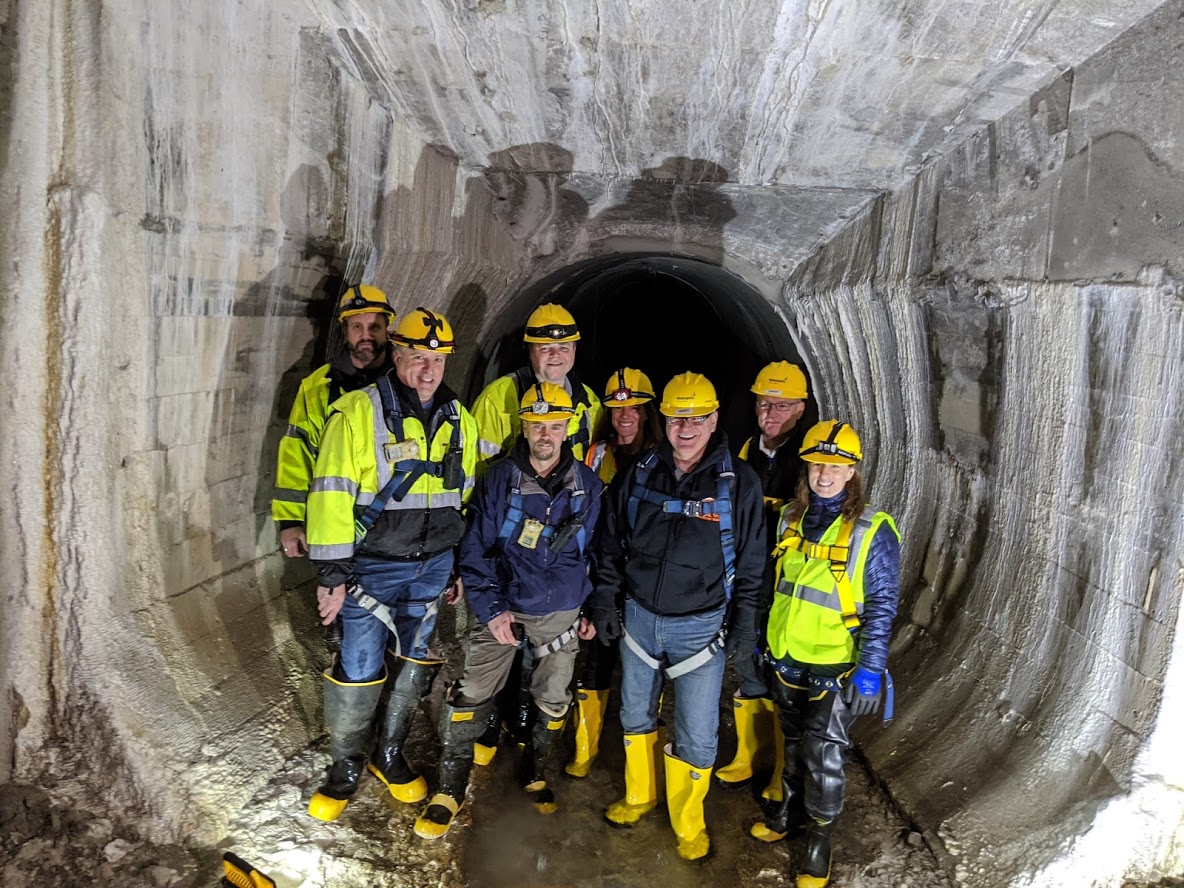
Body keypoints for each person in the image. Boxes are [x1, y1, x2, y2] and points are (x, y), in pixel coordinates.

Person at [303, 308, 479, 822]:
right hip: (372, 567)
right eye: (417, 358)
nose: (428, 371)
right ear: (396, 355)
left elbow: (463, 497)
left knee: (413, 660)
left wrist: (459, 564)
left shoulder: (459, 419)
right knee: (359, 666)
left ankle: (387, 753)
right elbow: (331, 495)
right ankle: (345, 766)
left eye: (438, 360)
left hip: (432, 565)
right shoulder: (357, 412)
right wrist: (332, 576)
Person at [588, 372, 766, 861]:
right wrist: (606, 598)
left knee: (696, 731)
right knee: (634, 714)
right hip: (640, 618)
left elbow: (752, 562)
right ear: (661, 419)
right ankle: (639, 795)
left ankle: (689, 820)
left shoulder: (739, 482)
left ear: (712, 419)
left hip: (700, 627)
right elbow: (611, 543)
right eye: (674, 417)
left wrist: (745, 621)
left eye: (695, 418)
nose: (684, 428)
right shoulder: (640, 471)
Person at [413, 383, 604, 839]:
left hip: (560, 610)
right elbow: (474, 551)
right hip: (504, 607)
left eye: (554, 426)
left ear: (567, 428)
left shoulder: (588, 488)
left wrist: (592, 606)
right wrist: (493, 609)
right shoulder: (499, 479)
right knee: (474, 690)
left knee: (554, 695)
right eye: (537, 425)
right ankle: (449, 789)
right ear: (524, 425)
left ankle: (535, 771)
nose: (545, 434)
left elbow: (599, 553)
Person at [750, 420, 899, 888]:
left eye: (836, 466)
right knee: (792, 742)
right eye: (817, 464)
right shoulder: (789, 519)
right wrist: (761, 641)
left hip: (836, 663)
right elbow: (777, 588)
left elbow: (882, 604)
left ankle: (818, 838)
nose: (825, 474)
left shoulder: (872, 530)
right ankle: (791, 813)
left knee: (823, 752)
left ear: (852, 471)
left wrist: (871, 668)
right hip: (788, 654)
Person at [468, 303, 603, 760]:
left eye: (563, 345)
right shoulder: (499, 398)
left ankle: (527, 743)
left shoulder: (588, 402)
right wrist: (470, 570)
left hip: (560, 559)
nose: (556, 355)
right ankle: (489, 731)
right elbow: (475, 479)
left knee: (547, 667)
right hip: (508, 548)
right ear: (530, 351)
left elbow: (592, 474)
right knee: (499, 651)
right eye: (546, 347)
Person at [565, 368, 664, 779]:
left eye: (633, 407)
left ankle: (640, 761)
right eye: (617, 407)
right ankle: (585, 750)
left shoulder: (662, 457)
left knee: (644, 665)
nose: (624, 415)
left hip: (642, 575)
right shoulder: (597, 453)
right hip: (601, 569)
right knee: (596, 658)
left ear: (646, 411)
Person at [718, 361, 809, 793]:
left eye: (781, 405)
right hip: (750, 578)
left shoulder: (809, 460)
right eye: (763, 403)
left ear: (800, 409)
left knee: (781, 674)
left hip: (789, 587)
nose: (769, 413)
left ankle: (779, 770)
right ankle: (746, 755)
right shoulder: (744, 453)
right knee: (744, 658)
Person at [272, 285, 395, 560]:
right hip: (337, 524)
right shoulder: (318, 388)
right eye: (357, 327)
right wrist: (290, 522)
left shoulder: (407, 381)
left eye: (375, 326)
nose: (366, 336)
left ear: (388, 329)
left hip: (397, 526)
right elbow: (297, 453)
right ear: (345, 331)